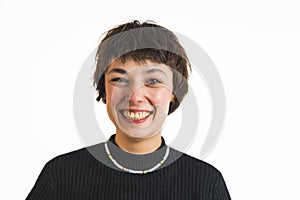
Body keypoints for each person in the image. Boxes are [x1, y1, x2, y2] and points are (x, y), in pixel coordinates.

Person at [26, 20, 231, 200]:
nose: (135, 96)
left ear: (173, 92)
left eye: (153, 81)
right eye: (119, 80)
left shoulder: (206, 183)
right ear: (104, 90)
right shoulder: (61, 176)